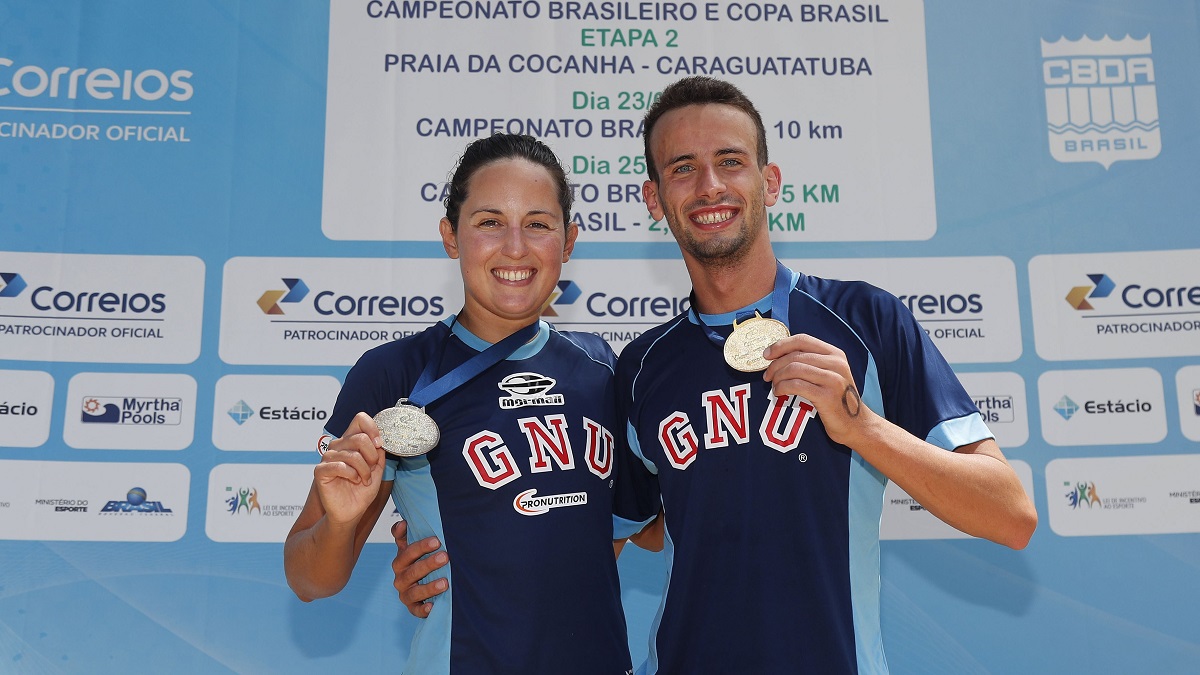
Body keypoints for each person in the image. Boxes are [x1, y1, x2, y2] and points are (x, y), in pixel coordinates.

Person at [393, 77, 1038, 674]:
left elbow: (1010, 514)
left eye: (730, 161)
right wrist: (449, 569)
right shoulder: (641, 367)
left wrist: (863, 427)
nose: (709, 186)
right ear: (654, 199)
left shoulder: (865, 320)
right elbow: (612, 534)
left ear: (771, 180)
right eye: (682, 169)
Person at [284, 133, 651, 675]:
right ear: (450, 236)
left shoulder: (600, 367)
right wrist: (339, 523)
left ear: (569, 241)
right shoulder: (395, 375)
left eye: (539, 223)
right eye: (488, 222)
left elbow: (631, 529)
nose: (515, 247)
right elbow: (311, 580)